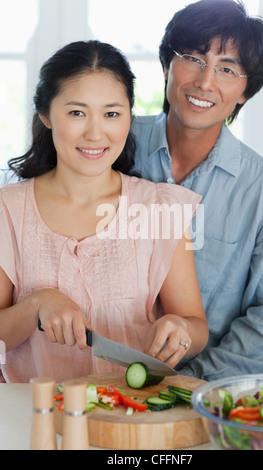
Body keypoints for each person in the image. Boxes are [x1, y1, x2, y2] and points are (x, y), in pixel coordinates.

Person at [0, 40, 208, 383]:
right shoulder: (8, 210)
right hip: (34, 421)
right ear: (45, 115)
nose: (96, 133)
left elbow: (197, 328)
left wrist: (181, 327)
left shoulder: (159, 207)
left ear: (129, 115)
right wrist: (35, 305)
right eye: (77, 112)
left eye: (111, 113)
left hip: (132, 418)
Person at [130, 0, 263, 380]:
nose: (205, 82)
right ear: (167, 65)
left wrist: (185, 387)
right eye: (193, 57)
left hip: (199, 396)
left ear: (244, 92)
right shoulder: (112, 144)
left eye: (227, 69)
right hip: (91, 382)